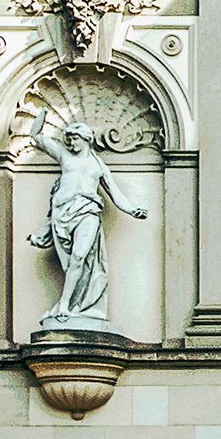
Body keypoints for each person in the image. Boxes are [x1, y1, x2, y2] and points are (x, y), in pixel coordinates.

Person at [25, 120, 142, 335]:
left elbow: (114, 193)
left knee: (79, 257)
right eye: (69, 139)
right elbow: (38, 137)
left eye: (75, 139)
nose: (71, 143)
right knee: (70, 264)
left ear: (86, 139)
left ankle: (63, 305)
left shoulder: (98, 166)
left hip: (88, 213)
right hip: (61, 216)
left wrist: (133, 209)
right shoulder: (64, 156)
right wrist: (40, 118)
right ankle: (74, 305)